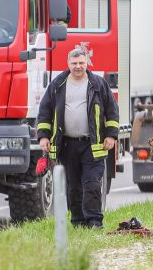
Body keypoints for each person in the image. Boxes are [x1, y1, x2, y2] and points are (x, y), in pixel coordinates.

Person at [36, 46, 119, 229]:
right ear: (68, 64)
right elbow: (45, 111)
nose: (78, 67)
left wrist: (111, 135)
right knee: (73, 186)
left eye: (81, 62)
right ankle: (78, 221)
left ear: (87, 62)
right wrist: (43, 137)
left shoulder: (98, 84)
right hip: (67, 145)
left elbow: (112, 110)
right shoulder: (58, 84)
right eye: (74, 63)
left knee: (91, 183)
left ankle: (94, 221)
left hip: (93, 144)